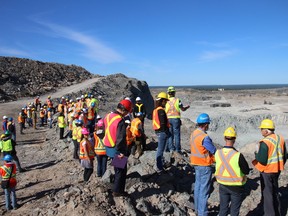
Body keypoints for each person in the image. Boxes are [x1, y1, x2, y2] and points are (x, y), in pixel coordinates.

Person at [252, 119, 286, 216]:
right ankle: (278, 212)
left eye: (262, 129)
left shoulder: (265, 142)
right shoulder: (280, 139)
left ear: (266, 131)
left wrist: (256, 152)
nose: (261, 131)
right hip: (277, 170)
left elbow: (262, 159)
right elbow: (285, 155)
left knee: (267, 196)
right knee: (275, 192)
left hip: (267, 172)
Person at [215, 127, 250, 216]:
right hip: (236, 187)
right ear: (234, 139)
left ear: (224, 138)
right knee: (234, 211)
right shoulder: (238, 155)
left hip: (222, 184)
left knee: (223, 209)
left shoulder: (218, 153)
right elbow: (246, 170)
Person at [103, 99, 132, 197]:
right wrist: (121, 151)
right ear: (124, 110)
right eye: (127, 112)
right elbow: (121, 138)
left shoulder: (108, 116)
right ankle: (118, 191)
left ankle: (116, 187)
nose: (127, 114)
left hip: (108, 147)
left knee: (117, 169)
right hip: (117, 149)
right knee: (121, 170)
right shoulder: (120, 121)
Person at [190, 113, 216, 216]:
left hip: (196, 164)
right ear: (205, 124)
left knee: (198, 188)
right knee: (204, 191)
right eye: (208, 123)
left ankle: (197, 210)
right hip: (204, 166)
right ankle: (203, 213)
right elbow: (213, 150)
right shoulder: (204, 137)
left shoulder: (194, 133)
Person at [165, 86, 190, 153]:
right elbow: (183, 109)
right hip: (176, 119)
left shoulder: (165, 101)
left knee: (170, 135)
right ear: (174, 93)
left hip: (168, 119)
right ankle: (177, 150)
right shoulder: (178, 100)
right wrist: (187, 107)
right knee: (177, 135)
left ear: (168, 93)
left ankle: (171, 149)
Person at [152, 92, 170, 173]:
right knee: (160, 150)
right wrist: (166, 131)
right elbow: (162, 123)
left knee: (160, 149)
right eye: (165, 101)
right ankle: (159, 167)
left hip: (158, 131)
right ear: (162, 100)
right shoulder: (161, 111)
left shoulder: (156, 109)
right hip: (162, 132)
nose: (166, 103)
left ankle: (160, 164)